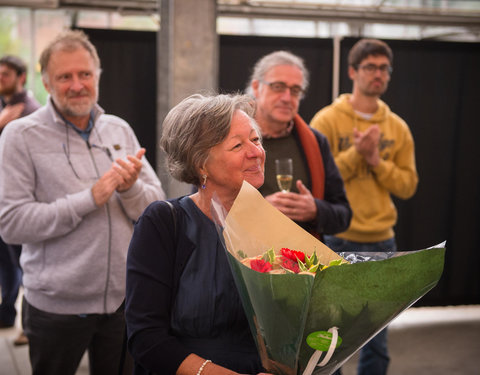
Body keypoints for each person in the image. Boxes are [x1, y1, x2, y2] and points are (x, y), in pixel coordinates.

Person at [0, 30, 165, 375]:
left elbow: (156, 205)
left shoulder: (118, 129)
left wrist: (130, 189)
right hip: (56, 309)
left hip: (124, 302)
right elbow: (11, 223)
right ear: (46, 83)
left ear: (97, 77)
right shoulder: (20, 135)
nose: (77, 85)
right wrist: (89, 199)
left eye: (85, 74)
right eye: (65, 77)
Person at [125, 93, 272, 375]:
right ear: (200, 164)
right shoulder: (164, 223)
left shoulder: (270, 227)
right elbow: (146, 338)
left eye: (255, 140)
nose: (256, 152)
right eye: (238, 145)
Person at [310, 38, 419, 375]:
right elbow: (318, 178)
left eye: (384, 68)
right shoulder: (327, 120)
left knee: (377, 340)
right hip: (337, 239)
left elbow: (407, 185)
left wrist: (375, 160)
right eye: (370, 67)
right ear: (352, 72)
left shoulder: (397, 127)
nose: (378, 74)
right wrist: (356, 154)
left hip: (382, 240)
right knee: (332, 336)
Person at [245, 50, 352, 239]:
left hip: (304, 263)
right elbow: (208, 205)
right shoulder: (229, 139)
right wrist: (258, 210)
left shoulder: (316, 142)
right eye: (278, 87)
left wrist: (316, 210)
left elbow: (343, 214)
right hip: (243, 260)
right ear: (256, 87)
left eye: (295, 90)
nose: (287, 97)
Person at [0, 55, 41, 346]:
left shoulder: (28, 111)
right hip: (3, 197)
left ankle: (29, 326)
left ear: (21, 77)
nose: (0, 79)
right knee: (6, 262)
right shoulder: (5, 108)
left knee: (24, 263)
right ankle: (7, 314)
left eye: (5, 75)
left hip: (22, 201)